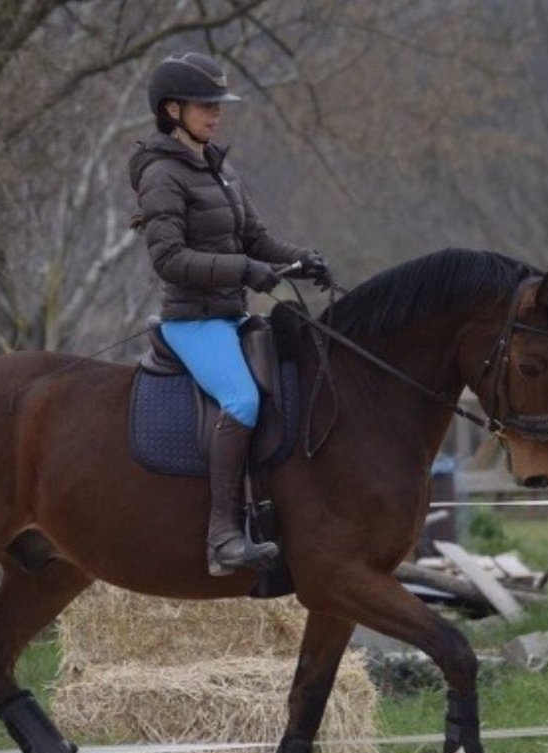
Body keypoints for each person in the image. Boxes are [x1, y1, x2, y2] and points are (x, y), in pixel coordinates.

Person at [129, 50, 330, 577]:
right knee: (240, 400)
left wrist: (299, 259)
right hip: (193, 321)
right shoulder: (161, 175)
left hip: (231, 316)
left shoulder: (217, 165)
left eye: (218, 105)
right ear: (172, 110)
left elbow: (255, 237)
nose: (215, 114)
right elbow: (168, 259)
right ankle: (221, 536)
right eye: (204, 106)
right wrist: (244, 271)